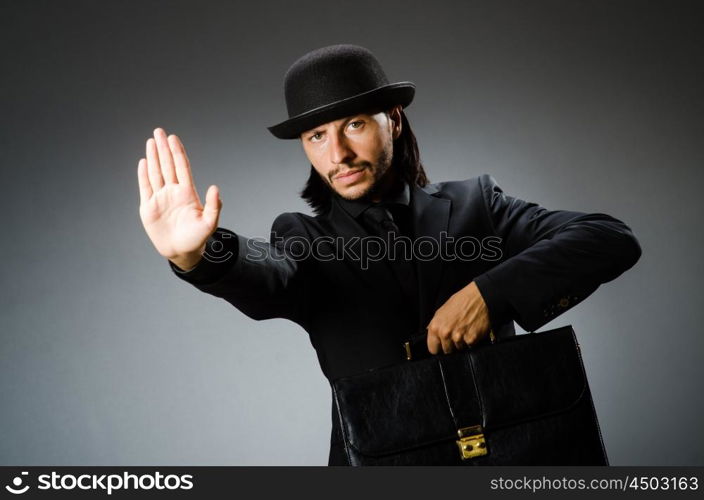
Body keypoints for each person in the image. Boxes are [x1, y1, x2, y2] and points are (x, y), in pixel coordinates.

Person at [137, 44, 641, 465]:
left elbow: (608, 238)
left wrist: (489, 294)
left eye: (353, 124)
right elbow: (268, 270)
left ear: (393, 121)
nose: (337, 154)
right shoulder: (301, 237)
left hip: (518, 454)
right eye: (316, 136)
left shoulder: (476, 204)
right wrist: (200, 255)